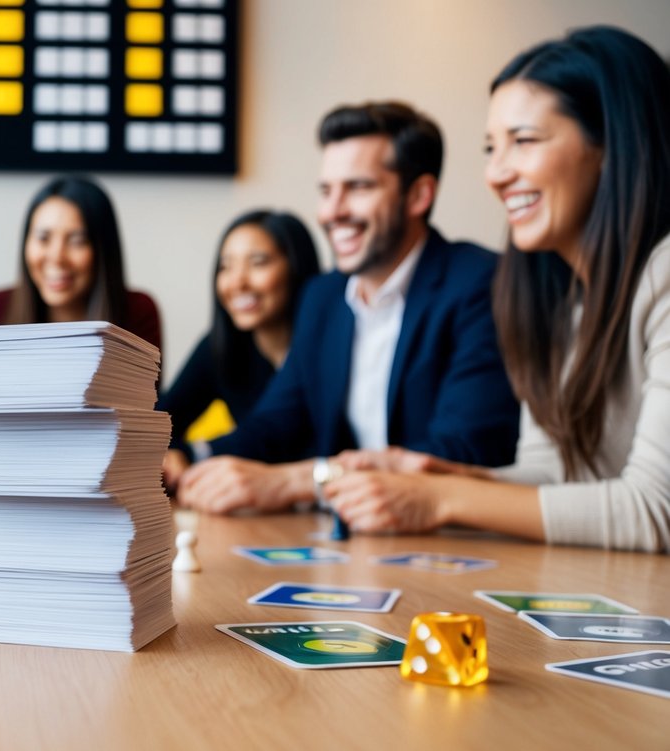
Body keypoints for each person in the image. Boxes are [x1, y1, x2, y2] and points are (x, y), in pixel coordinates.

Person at [326, 27, 670, 553]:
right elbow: (555, 472)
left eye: (524, 141)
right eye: (491, 148)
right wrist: (435, 478)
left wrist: (441, 498)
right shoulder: (555, 297)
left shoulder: (663, 271)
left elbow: (653, 510)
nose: (496, 173)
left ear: (614, 144)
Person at [179, 101, 519, 516]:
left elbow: (463, 450)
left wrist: (303, 481)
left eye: (357, 187)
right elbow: (277, 423)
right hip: (349, 539)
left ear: (418, 195)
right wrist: (190, 460)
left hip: (451, 539)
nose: (331, 212)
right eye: (326, 190)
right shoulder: (322, 296)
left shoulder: (482, 283)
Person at [158, 210, 321, 493]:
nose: (237, 282)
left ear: (296, 267)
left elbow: (271, 434)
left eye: (258, 263)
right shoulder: (222, 346)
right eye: (226, 267)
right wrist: (174, 456)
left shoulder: (329, 344)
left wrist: (194, 454)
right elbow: (160, 422)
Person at [0, 175, 162, 350]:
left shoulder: (138, 312)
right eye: (43, 238)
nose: (57, 258)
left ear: (103, 250)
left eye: (77, 241)